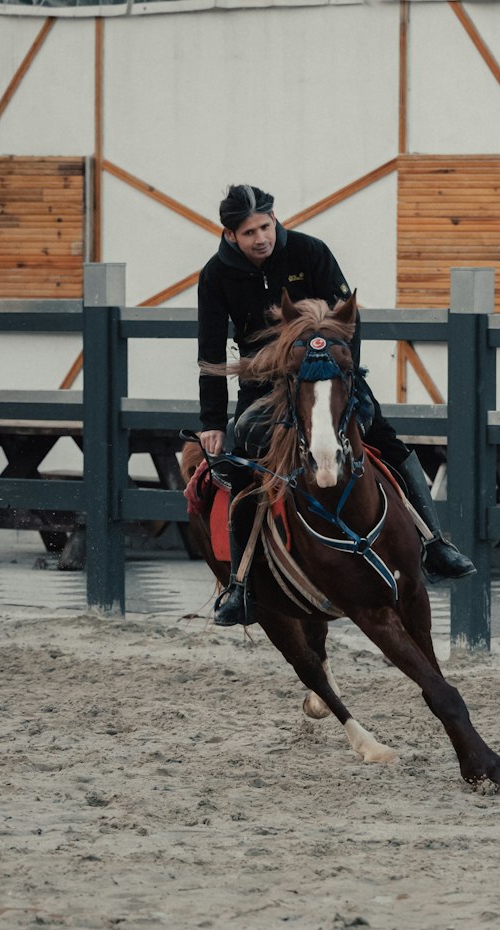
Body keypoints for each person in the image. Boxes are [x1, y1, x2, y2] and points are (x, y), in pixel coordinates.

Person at [197, 182, 475, 626]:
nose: (261, 238)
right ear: (231, 235)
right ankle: (242, 583)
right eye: (249, 233)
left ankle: (434, 543)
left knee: (386, 439)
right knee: (245, 466)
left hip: (329, 377)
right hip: (265, 386)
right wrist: (211, 419)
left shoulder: (311, 252)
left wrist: (342, 377)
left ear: (274, 219)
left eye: (265, 227)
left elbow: (349, 318)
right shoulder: (215, 276)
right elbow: (210, 348)